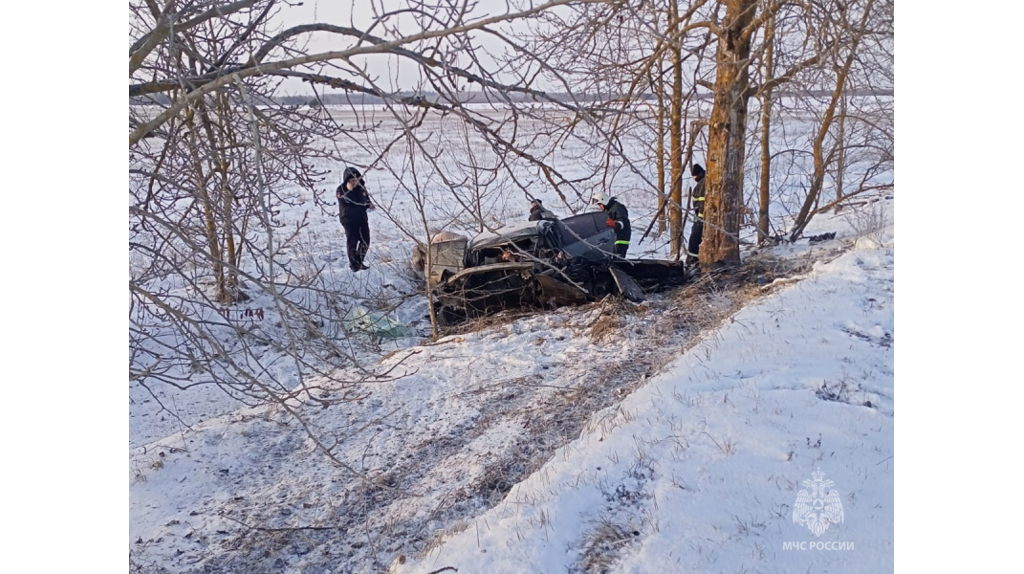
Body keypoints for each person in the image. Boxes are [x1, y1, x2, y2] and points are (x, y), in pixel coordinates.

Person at [336, 166, 375, 272]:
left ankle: (359, 261)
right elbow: (344, 202)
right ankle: (354, 265)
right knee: (352, 242)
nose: (355, 182)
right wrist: (349, 191)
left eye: (356, 180)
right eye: (352, 180)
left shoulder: (362, 188)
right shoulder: (341, 190)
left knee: (365, 240)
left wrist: (369, 205)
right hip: (349, 220)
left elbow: (365, 200)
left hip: (361, 218)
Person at [592, 191, 630, 257]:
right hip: (612, 239)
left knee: (617, 261)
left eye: (600, 204)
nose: (600, 207)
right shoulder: (608, 210)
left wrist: (616, 225)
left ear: (604, 201)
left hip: (620, 239)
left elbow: (623, 221)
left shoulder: (618, 207)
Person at [686, 163, 706, 266]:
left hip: (702, 218)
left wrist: (701, 217)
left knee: (694, 238)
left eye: (694, 176)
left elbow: (702, 203)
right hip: (700, 216)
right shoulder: (702, 183)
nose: (693, 178)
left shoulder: (703, 184)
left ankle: (693, 260)